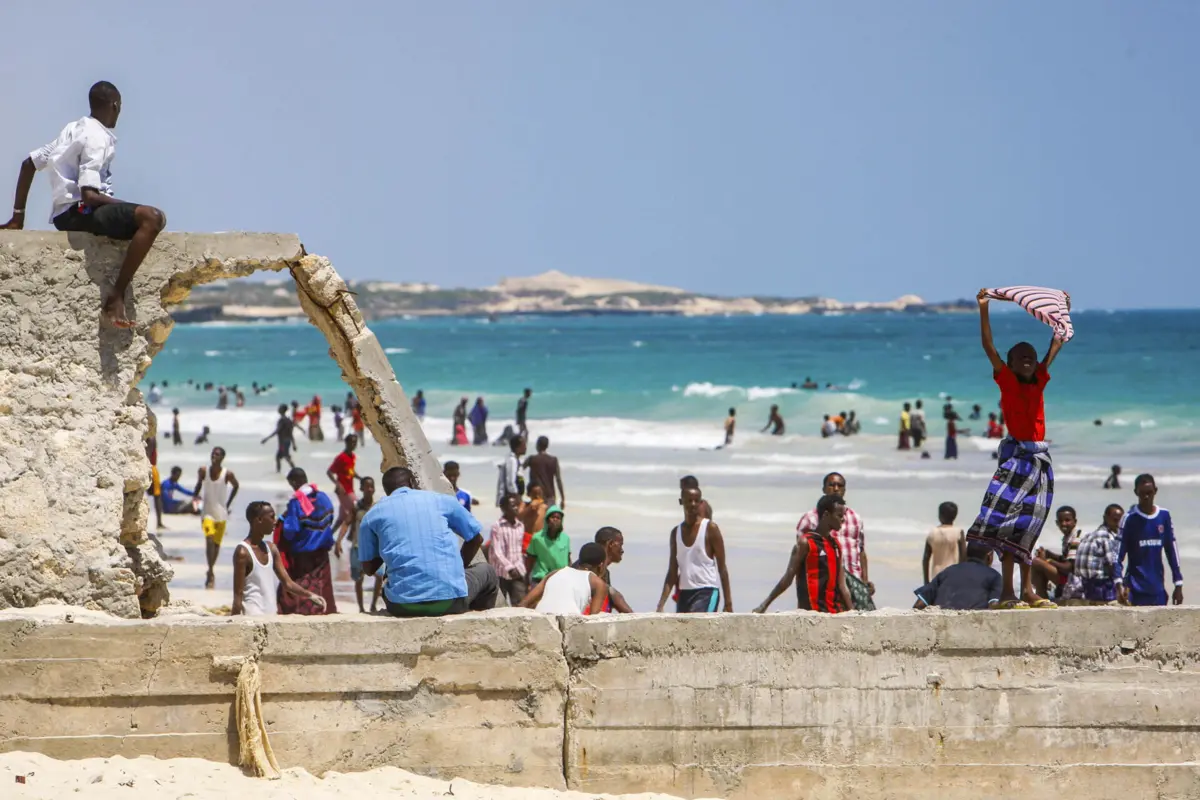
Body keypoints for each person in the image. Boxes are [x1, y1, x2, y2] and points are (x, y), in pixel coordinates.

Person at [3, 81, 166, 328]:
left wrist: (18, 218)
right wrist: (130, 206)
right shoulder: (97, 136)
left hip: (64, 215)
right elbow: (89, 195)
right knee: (152, 218)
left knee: (139, 215)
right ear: (115, 105)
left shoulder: (72, 129)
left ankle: (117, 294)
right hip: (83, 211)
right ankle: (116, 295)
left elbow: (28, 164)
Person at [966, 288, 1067, 609]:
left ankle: (1028, 592)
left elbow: (1058, 341)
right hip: (1016, 460)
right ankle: (1008, 592)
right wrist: (984, 308)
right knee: (1007, 526)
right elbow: (987, 346)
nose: (1027, 359)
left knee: (1029, 526)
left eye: (1031, 356)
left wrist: (1063, 309)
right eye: (1020, 356)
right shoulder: (1006, 379)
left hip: (1039, 461)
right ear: (1009, 364)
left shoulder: (1040, 379)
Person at [358, 466, 498, 617]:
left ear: (387, 491)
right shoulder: (442, 501)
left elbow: (368, 569)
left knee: (388, 576)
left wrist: (385, 545)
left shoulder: (373, 515)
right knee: (487, 571)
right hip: (451, 601)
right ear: (412, 482)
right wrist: (459, 569)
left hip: (401, 605)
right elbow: (476, 538)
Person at [754, 494, 853, 614]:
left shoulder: (836, 545)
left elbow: (842, 586)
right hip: (812, 614)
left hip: (834, 613)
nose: (843, 519)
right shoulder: (806, 543)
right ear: (826, 515)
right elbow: (787, 579)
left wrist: (853, 613)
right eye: (839, 515)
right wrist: (764, 605)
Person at [232, 501, 326, 616]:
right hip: (252, 617)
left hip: (272, 616)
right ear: (259, 520)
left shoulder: (271, 549)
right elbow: (238, 595)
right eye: (271, 517)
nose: (275, 521)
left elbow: (288, 583)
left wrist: (310, 595)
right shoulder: (243, 552)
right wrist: (233, 623)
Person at [796, 472, 873, 610]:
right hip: (825, 582)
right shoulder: (810, 519)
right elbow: (799, 559)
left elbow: (861, 550)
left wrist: (864, 580)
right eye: (831, 485)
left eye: (840, 485)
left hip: (852, 579)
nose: (836, 488)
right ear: (824, 489)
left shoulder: (855, 518)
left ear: (845, 490)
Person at [656, 487, 733, 613]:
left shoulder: (710, 529)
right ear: (681, 502)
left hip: (707, 591)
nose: (692, 504)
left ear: (700, 503)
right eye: (689, 500)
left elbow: (722, 568)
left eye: (696, 501)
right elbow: (672, 571)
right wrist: (661, 604)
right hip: (684, 593)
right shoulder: (676, 533)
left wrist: (728, 603)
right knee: (684, 631)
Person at [1115, 474, 1183, 607]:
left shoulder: (1164, 516)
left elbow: (1171, 550)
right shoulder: (1129, 519)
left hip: (1157, 588)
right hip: (1134, 588)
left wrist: (1178, 583)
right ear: (1136, 493)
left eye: (1149, 493)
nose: (1146, 497)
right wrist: (1118, 584)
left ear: (1155, 491)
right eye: (1142, 494)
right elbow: (1117, 555)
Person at [277, 468, 337, 615]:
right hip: (322, 553)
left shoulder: (295, 503)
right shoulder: (323, 497)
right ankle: (324, 611)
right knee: (322, 585)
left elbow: (291, 531)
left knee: (298, 587)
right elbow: (330, 518)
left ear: (294, 481)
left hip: (303, 555)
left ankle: (304, 614)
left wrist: (282, 521)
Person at [335, 476, 384, 613]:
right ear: (361, 488)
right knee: (358, 579)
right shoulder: (357, 507)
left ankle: (373, 605)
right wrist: (338, 541)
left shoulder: (378, 507)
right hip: (358, 548)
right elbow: (346, 523)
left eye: (371, 486)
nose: (369, 489)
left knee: (379, 576)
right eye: (366, 486)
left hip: (376, 549)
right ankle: (361, 608)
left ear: (374, 488)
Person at [520, 543, 610, 615]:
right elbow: (594, 619)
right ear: (601, 566)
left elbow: (524, 603)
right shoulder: (598, 584)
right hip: (568, 624)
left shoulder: (555, 573)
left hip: (541, 621)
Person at [194, 447, 238, 590]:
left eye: (217, 454)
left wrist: (228, 503)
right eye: (213, 453)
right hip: (207, 512)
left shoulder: (227, 474)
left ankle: (211, 569)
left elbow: (236, 486)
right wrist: (195, 498)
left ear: (222, 458)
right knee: (209, 539)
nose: (214, 455)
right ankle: (211, 571)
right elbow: (198, 486)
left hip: (221, 514)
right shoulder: (203, 471)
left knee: (217, 545)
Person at [912, 542, 1001, 610]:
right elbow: (994, 606)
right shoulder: (994, 576)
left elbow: (919, 605)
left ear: (966, 554)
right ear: (989, 557)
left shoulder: (947, 571)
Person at [1071, 504, 1124, 605]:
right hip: (1098, 583)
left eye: (1121, 521)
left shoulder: (1092, 534)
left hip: (1085, 582)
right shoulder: (1106, 536)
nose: (1119, 525)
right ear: (1105, 518)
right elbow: (1112, 563)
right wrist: (1120, 584)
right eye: (1116, 520)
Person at [1032, 506, 1082, 602]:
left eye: (1067, 520)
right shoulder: (1068, 536)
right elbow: (1066, 559)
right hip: (1070, 576)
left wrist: (1049, 561)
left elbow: (1069, 567)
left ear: (1074, 521)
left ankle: (1041, 595)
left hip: (1075, 580)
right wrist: (1049, 554)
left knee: (1037, 562)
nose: (1064, 524)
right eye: (1061, 521)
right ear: (1056, 523)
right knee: (1040, 563)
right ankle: (1041, 596)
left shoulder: (1077, 537)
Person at [488, 493, 528, 606]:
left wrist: (519, 567)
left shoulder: (520, 526)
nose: (515, 508)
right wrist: (509, 567)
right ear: (503, 508)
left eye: (516, 505)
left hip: (517, 572)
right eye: (512, 505)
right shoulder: (497, 526)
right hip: (501, 573)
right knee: (498, 605)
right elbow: (497, 550)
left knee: (520, 605)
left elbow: (519, 550)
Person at [525, 506, 570, 587]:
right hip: (541, 580)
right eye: (553, 517)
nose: (555, 519)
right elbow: (530, 559)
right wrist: (526, 578)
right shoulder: (537, 538)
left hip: (561, 580)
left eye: (558, 518)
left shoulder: (566, 539)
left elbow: (568, 559)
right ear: (547, 520)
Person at [923, 502, 965, 584]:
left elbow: (926, 559)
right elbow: (963, 557)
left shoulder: (932, 533)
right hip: (954, 576)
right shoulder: (958, 532)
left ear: (940, 515)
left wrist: (926, 582)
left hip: (936, 576)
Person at [327, 434, 358, 540]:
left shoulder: (352, 456)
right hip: (343, 491)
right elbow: (329, 472)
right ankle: (351, 537)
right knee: (356, 510)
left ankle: (327, 537)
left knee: (342, 518)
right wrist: (337, 484)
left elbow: (351, 471)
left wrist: (360, 478)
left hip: (350, 489)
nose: (353, 444)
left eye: (355, 442)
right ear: (346, 443)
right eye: (351, 442)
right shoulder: (341, 457)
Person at [595, 526, 633, 613]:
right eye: (620, 544)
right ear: (611, 544)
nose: (622, 550)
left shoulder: (605, 572)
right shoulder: (590, 569)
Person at [526, 436, 566, 508]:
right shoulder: (553, 460)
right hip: (550, 496)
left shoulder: (532, 459)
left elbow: (519, 469)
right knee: (549, 518)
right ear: (547, 446)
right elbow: (558, 480)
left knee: (538, 518)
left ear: (537, 445)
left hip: (536, 496)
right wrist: (563, 498)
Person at [261, 404, 298, 473]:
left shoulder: (282, 420)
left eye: (279, 408)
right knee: (279, 457)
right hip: (287, 441)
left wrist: (266, 439)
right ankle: (279, 472)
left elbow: (277, 431)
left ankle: (295, 471)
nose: (278, 409)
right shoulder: (288, 420)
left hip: (283, 442)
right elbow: (291, 434)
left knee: (286, 457)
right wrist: (294, 444)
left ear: (282, 410)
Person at [496, 435, 526, 507]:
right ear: (517, 448)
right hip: (511, 499)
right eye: (523, 445)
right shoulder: (512, 460)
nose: (525, 447)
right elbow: (510, 482)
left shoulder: (517, 459)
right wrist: (517, 497)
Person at [519, 485, 549, 552]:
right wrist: (530, 507)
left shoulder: (544, 507)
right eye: (535, 494)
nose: (538, 497)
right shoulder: (524, 505)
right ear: (529, 494)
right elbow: (518, 517)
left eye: (539, 494)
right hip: (527, 539)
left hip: (540, 539)